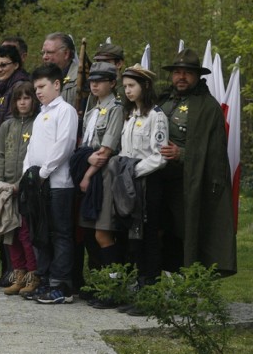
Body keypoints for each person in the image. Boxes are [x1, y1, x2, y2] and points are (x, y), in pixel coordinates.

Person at [157, 49, 236, 276]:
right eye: (177, 72)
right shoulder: (163, 100)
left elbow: (214, 152)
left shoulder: (207, 107)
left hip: (188, 182)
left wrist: (181, 153)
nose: (181, 77)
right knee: (158, 229)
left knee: (185, 231)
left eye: (187, 73)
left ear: (197, 76)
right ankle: (155, 281)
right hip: (156, 179)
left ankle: (187, 283)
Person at [114, 64, 168, 314]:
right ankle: (136, 290)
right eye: (125, 86)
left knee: (147, 238)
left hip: (147, 182)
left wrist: (133, 171)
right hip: (128, 183)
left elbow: (159, 156)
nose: (128, 91)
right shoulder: (130, 115)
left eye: (132, 86)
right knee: (131, 238)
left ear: (145, 86)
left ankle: (151, 294)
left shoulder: (156, 116)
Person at [23, 63, 78, 304]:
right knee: (41, 233)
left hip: (57, 183)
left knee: (60, 233)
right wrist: (28, 174)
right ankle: (44, 279)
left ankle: (61, 285)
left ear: (57, 84)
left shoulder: (65, 111)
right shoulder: (41, 114)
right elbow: (32, 147)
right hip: (39, 183)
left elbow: (64, 144)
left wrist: (44, 171)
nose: (38, 92)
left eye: (42, 86)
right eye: (36, 87)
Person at [72, 62, 124, 309]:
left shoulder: (116, 109)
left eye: (101, 80)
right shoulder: (92, 111)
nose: (95, 84)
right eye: (93, 80)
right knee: (91, 233)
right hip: (90, 177)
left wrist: (86, 175)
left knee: (104, 232)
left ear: (113, 83)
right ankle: (101, 284)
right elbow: (85, 146)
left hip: (104, 176)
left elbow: (106, 150)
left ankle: (115, 288)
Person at [0, 44, 29, 287]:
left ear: (16, 65)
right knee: (2, 216)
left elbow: (11, 129)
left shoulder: (19, 88)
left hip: (15, 167)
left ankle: (17, 272)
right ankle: (10, 272)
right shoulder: (0, 88)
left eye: (4, 65)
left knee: (15, 223)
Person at [0, 82, 40, 295]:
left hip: (26, 189)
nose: (23, 102)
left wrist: (19, 185)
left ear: (34, 100)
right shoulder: (7, 126)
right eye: (19, 98)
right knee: (9, 232)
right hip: (6, 189)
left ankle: (33, 275)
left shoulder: (37, 123)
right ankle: (18, 275)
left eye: (27, 97)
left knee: (25, 234)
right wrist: (0, 183)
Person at [41, 32, 79, 109]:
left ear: (66, 54)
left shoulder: (80, 78)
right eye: (43, 53)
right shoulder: (42, 78)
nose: (44, 57)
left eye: (50, 52)